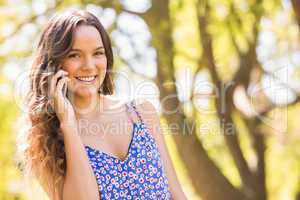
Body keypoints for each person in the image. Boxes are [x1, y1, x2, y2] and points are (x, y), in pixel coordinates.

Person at [23, 9, 187, 200]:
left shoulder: (142, 113)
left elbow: (176, 193)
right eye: (74, 55)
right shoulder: (43, 142)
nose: (89, 65)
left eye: (98, 53)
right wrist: (68, 125)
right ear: (54, 64)